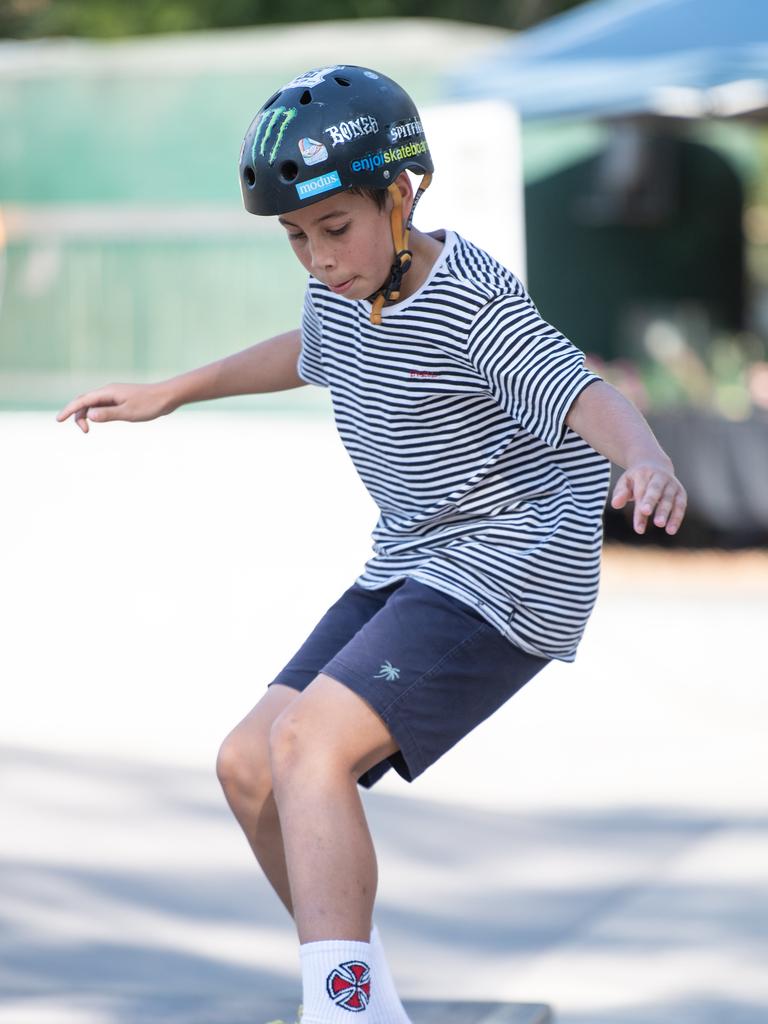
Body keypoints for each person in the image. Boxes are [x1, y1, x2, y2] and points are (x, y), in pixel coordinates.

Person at [56, 66, 687, 1024]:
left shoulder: (474, 303)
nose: (318, 259)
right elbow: (305, 347)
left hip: (512, 562)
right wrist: (170, 390)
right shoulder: (348, 292)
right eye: (296, 239)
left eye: (336, 229)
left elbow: (584, 391)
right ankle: (362, 994)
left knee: (311, 746)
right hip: (413, 560)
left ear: (402, 194)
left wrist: (645, 457)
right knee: (250, 762)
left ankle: (340, 1009)